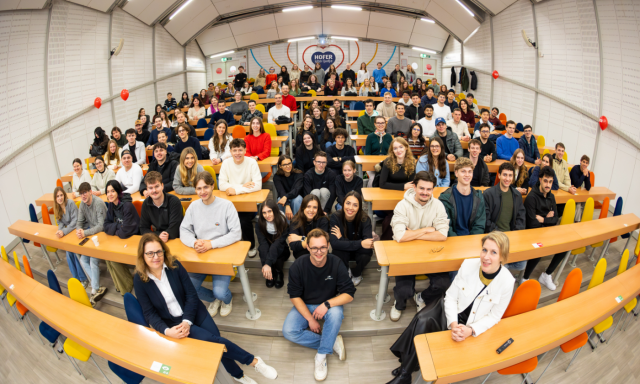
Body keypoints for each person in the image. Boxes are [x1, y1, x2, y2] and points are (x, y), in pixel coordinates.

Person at [134, 233, 278, 384]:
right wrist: (167, 331)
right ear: (142, 256)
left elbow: (191, 294)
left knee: (216, 344)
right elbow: (149, 313)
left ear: (164, 251)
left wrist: (187, 321)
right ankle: (253, 363)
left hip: (194, 311)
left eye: (158, 251)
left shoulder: (174, 265)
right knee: (214, 343)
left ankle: (239, 373)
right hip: (173, 324)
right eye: (150, 253)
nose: (155, 256)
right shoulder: (139, 279)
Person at [387, 231, 515, 384]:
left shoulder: (507, 281)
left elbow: (494, 316)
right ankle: (406, 373)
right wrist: (453, 324)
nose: (486, 257)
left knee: (423, 325)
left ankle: (406, 368)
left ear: (502, 257)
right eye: (484, 250)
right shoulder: (468, 264)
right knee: (422, 319)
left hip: (471, 324)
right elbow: (451, 297)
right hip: (450, 310)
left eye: (493, 252)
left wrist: (471, 330)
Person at [283, 228, 353, 381]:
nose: (319, 251)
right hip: (304, 303)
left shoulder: (336, 263)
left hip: (328, 304)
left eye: (322, 247)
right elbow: (294, 296)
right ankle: (331, 341)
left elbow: (349, 295)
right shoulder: (298, 266)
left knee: (336, 314)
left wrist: (327, 304)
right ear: (307, 247)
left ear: (328, 245)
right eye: (314, 247)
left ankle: (321, 356)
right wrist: (310, 319)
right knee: (289, 331)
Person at [388, 171, 449, 322]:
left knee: (444, 284)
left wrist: (414, 234)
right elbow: (400, 236)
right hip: (406, 254)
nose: (425, 192)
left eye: (429, 189)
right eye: (422, 188)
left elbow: (442, 235)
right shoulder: (402, 205)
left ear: (433, 189)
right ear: (414, 187)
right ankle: (399, 304)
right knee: (404, 290)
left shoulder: (438, 205)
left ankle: (421, 297)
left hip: (430, 253)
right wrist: (426, 230)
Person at [180, 171, 239, 317]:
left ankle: (226, 299)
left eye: (205, 187)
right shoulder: (193, 206)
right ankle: (214, 299)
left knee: (221, 291)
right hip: (201, 254)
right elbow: (184, 230)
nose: (202, 192)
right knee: (187, 287)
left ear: (213, 186)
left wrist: (211, 244)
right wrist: (194, 243)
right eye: (199, 189)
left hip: (221, 253)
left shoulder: (227, 205)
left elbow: (236, 233)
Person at [522, 166, 562, 290]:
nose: (548, 184)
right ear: (540, 179)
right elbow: (532, 223)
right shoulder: (531, 197)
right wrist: (548, 218)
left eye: (550, 182)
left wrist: (543, 219)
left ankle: (547, 274)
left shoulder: (551, 197)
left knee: (565, 245)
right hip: (531, 232)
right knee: (541, 245)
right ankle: (524, 277)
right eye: (545, 181)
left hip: (545, 230)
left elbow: (555, 219)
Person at [219, 139, 262, 255]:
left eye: (240, 150)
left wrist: (236, 190)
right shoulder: (226, 163)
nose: (237, 153)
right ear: (230, 151)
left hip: (247, 202)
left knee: (243, 220)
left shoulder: (252, 163)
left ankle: (251, 246)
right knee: (223, 220)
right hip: (230, 201)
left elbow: (258, 185)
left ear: (245, 150)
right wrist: (242, 187)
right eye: (235, 150)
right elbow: (221, 185)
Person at [329, 191, 372, 287]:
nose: (350, 208)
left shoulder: (365, 219)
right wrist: (360, 243)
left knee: (366, 254)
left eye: (355, 205)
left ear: (359, 207)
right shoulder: (335, 217)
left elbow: (368, 245)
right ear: (343, 203)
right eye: (348, 203)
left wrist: (342, 239)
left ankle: (356, 273)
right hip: (347, 250)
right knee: (337, 251)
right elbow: (334, 244)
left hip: (357, 252)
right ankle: (345, 272)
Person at [75, 182, 108, 305]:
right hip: (92, 236)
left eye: (85, 193)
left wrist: (85, 233)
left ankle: (94, 289)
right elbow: (79, 222)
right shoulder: (82, 205)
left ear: (90, 192)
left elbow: (101, 226)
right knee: (83, 260)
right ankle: (97, 288)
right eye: (81, 194)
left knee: (93, 261)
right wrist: (79, 230)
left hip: (103, 235)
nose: (83, 196)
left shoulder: (98, 203)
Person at [102, 180, 137, 295]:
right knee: (108, 256)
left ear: (118, 191)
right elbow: (105, 225)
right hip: (122, 239)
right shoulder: (112, 205)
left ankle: (127, 285)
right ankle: (121, 285)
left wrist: (117, 229)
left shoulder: (127, 205)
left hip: (134, 239)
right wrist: (118, 226)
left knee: (113, 257)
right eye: (108, 192)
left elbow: (125, 232)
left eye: (112, 191)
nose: (110, 194)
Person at [439, 157, 486, 238]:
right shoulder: (445, 198)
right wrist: (458, 242)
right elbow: (446, 226)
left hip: (472, 240)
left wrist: (471, 241)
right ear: (456, 173)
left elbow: (479, 225)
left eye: (470, 172)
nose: (467, 175)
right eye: (463, 171)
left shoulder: (479, 197)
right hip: (452, 241)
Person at [53, 186, 88, 287]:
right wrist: (60, 230)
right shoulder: (57, 207)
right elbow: (59, 222)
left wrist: (63, 231)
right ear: (55, 199)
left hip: (78, 228)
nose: (60, 198)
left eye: (61, 195)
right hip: (69, 232)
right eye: (57, 196)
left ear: (64, 195)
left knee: (74, 251)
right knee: (68, 253)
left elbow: (74, 222)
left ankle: (83, 279)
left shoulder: (71, 203)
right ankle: (76, 278)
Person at [255, 199, 290, 289]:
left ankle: (278, 272)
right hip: (268, 248)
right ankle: (270, 272)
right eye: (264, 213)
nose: (267, 215)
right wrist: (265, 265)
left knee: (277, 250)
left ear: (275, 210)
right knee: (263, 249)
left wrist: (268, 263)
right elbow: (263, 243)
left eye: (269, 211)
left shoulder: (283, 221)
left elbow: (278, 243)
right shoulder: (259, 223)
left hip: (281, 249)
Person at [140, 171, 184, 242]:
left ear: (162, 186)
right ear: (147, 189)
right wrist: (158, 236)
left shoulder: (174, 201)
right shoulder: (146, 203)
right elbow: (143, 228)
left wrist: (156, 235)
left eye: (157, 186)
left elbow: (174, 231)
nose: (154, 190)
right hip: (157, 240)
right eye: (150, 188)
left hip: (176, 240)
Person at [364, 116, 393, 186]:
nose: (381, 125)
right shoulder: (370, 137)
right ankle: (369, 196)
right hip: (373, 164)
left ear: (385, 124)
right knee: (373, 179)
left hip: (386, 164)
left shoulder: (389, 137)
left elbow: (392, 153)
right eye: (378, 123)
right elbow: (367, 153)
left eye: (382, 123)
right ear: (375, 124)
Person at [274, 155, 304, 220]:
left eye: (289, 163)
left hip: (296, 197)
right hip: (284, 198)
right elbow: (281, 191)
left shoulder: (299, 174)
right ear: (280, 166)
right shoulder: (277, 177)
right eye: (284, 164)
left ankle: (297, 223)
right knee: (280, 200)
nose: (288, 166)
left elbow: (296, 190)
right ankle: (285, 225)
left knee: (297, 199)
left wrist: (285, 197)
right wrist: (287, 205)